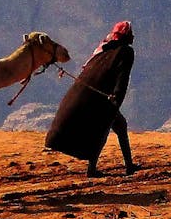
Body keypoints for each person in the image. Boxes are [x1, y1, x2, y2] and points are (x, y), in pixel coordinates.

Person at [44, 21, 138, 177]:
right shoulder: (126, 52)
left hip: (85, 95)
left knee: (117, 126)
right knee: (103, 129)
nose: (133, 37)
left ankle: (127, 166)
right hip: (100, 99)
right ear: (127, 37)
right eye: (131, 34)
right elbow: (123, 78)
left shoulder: (102, 49)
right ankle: (97, 169)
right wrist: (116, 100)